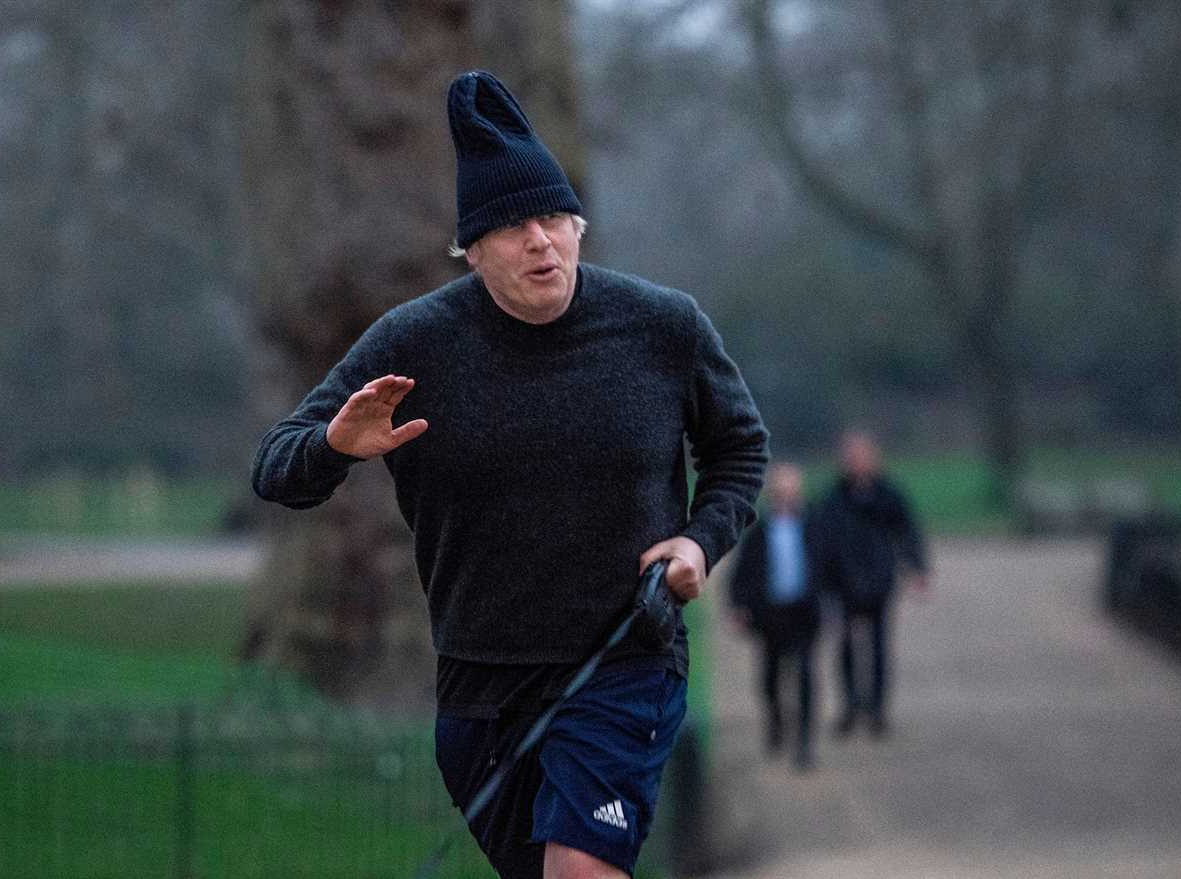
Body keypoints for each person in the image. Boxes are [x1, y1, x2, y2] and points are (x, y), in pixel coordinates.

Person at [251, 70, 769, 879]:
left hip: (624, 660)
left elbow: (739, 450)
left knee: (579, 871)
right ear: (472, 248)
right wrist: (336, 447)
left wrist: (700, 542)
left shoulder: (662, 327)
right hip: (480, 685)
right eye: (517, 225)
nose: (542, 240)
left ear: (577, 226)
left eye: (556, 218)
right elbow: (277, 469)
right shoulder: (413, 343)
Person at [811, 430, 929, 739]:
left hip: (879, 580)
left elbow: (908, 530)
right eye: (851, 457)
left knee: (878, 646)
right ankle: (850, 706)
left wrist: (917, 567)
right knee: (847, 646)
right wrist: (820, 581)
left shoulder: (888, 495)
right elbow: (820, 541)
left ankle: (877, 709)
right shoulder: (833, 498)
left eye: (862, 456)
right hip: (844, 583)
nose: (856, 462)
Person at [726, 463, 820, 771]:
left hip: (804, 612)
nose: (786, 497)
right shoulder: (760, 531)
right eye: (781, 491)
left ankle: (805, 741)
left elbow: (832, 565)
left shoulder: (814, 526)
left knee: (806, 674)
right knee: (771, 676)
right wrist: (738, 606)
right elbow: (742, 573)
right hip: (770, 615)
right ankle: (777, 722)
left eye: (791, 491)